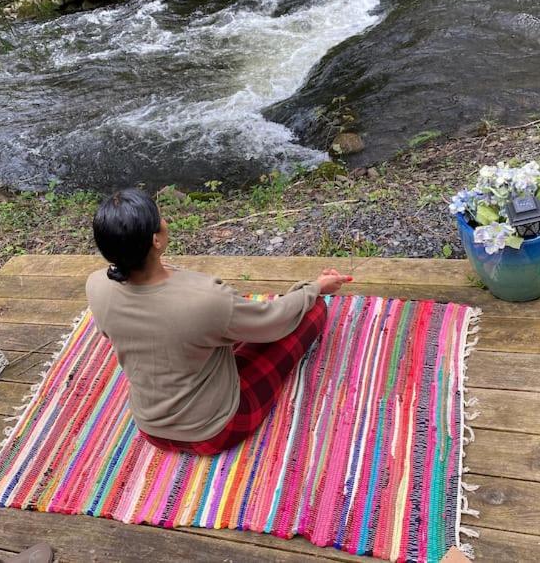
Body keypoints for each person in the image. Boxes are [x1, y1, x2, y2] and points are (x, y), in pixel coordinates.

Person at [85, 188, 352, 455]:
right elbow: (274, 321)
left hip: (149, 427)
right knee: (311, 310)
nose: (165, 220)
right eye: (161, 216)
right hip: (214, 430)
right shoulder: (206, 298)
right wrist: (313, 287)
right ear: (156, 240)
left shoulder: (96, 286)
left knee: (219, 331)